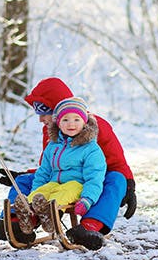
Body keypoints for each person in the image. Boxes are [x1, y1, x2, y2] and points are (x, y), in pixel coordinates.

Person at [0, 77, 136, 250]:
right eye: (37, 112)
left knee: (116, 180)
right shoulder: (52, 132)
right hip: (58, 179)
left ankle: (90, 227)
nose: (40, 118)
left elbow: (116, 160)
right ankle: (16, 223)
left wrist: (128, 184)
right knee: (23, 181)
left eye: (44, 111)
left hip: (87, 179)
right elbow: (50, 166)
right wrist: (24, 174)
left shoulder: (98, 126)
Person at [13, 97, 107, 235]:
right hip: (54, 183)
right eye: (65, 120)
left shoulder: (91, 149)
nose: (71, 124)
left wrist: (87, 199)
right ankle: (29, 216)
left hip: (77, 185)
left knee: (64, 192)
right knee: (42, 192)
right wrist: (36, 191)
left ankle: (50, 215)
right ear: (58, 123)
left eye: (76, 119)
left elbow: (95, 177)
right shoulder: (53, 145)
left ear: (85, 122)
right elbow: (44, 171)